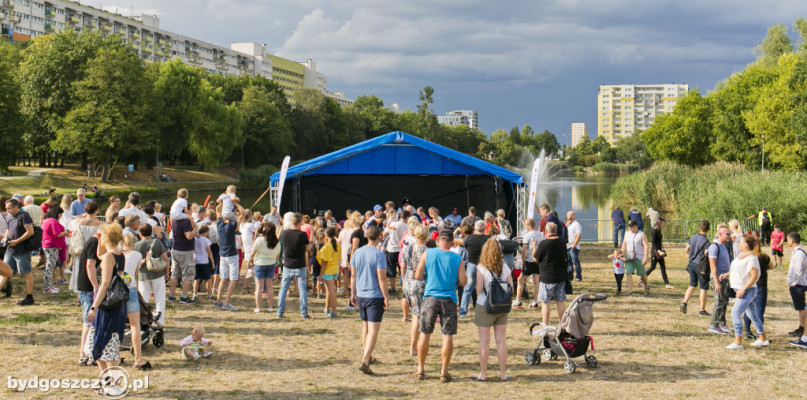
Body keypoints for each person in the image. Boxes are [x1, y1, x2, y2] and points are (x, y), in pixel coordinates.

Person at [414, 229, 466, 383]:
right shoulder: (457, 259)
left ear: (438, 240)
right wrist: (453, 281)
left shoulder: (428, 253)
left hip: (430, 296)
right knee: (447, 335)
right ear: (451, 242)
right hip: (449, 298)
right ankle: (443, 371)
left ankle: (420, 369)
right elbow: (463, 282)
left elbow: (417, 275)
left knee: (425, 333)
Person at [84, 224, 127, 396]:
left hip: (106, 306)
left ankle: (114, 383)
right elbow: (100, 256)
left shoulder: (110, 257)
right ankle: (107, 380)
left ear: (106, 238)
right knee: (100, 344)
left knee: (107, 345)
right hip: (116, 304)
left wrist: (94, 306)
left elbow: (105, 283)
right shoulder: (118, 255)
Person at [472, 238, 513, 382]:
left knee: (484, 341)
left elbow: (478, 289)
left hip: (485, 305)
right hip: (502, 306)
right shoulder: (505, 266)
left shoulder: (481, 268)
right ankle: (502, 373)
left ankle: (483, 373)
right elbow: (511, 287)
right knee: (501, 341)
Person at [349, 226, 389, 375]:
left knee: (365, 326)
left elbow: (352, 275)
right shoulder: (379, 255)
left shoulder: (357, 253)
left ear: (366, 236)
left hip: (361, 294)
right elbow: (381, 278)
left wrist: (352, 293)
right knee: (373, 329)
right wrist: (386, 296)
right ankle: (365, 360)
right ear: (379, 237)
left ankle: (367, 356)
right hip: (374, 295)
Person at [723, 235, 768, 349]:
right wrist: (727, 274)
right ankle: (762, 338)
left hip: (747, 290)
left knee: (735, 313)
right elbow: (738, 270)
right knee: (752, 314)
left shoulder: (752, 259)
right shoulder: (741, 256)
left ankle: (738, 341)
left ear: (746, 245)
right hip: (740, 289)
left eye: (740, 242)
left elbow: (754, 276)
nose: (738, 244)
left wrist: (744, 289)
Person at [121, 234, 151, 369]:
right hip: (131, 289)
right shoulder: (137, 255)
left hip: (117, 290)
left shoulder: (115, 255)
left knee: (117, 325)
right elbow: (135, 273)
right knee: (135, 326)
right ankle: (138, 358)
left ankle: (116, 355)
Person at [402, 224, 429, 356]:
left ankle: (416, 342)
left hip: (408, 282)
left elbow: (403, 266)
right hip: (420, 284)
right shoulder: (428, 251)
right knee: (417, 316)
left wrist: (403, 281)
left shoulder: (408, 248)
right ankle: (413, 346)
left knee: (415, 314)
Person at [277, 213, 311, 319]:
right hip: (300, 264)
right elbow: (308, 249)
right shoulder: (303, 235)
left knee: (283, 289)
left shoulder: (285, 233)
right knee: (302, 290)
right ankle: (303, 313)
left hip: (287, 264)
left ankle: (280, 312)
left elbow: (280, 242)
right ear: (301, 222)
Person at [134, 224, 168, 327]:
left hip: (143, 275)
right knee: (160, 297)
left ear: (140, 234)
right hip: (157, 273)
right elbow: (165, 258)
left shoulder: (137, 245)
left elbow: (136, 262)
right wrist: (167, 272)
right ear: (151, 232)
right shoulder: (157, 242)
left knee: (144, 299)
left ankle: (144, 320)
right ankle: (159, 321)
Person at [3, 198, 35, 306]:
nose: (7, 211)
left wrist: (17, 241)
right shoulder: (10, 217)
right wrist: (5, 237)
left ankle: (29, 297)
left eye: (9, 208)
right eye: (6, 209)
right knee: (4, 272)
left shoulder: (24, 216)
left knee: (26, 273)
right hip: (10, 249)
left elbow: (30, 231)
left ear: (16, 207)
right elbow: (8, 229)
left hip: (22, 250)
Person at [536, 223, 568, 325]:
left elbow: (536, 259)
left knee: (545, 302)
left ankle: (545, 324)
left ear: (546, 231)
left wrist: (533, 247)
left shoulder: (544, 244)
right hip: (560, 275)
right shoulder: (562, 242)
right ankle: (562, 324)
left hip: (547, 277)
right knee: (560, 301)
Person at [169, 202, 198, 305]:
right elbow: (189, 236)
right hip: (185, 250)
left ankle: (171, 295)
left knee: (175, 273)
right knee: (188, 274)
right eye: (190, 209)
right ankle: (184, 296)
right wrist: (195, 228)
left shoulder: (174, 220)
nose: (191, 212)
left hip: (175, 248)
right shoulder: (185, 221)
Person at [248, 222, 280, 313]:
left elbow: (252, 253)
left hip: (260, 263)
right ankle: (270, 307)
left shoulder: (259, 240)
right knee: (270, 286)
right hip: (271, 264)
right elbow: (277, 255)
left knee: (259, 286)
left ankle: (258, 307)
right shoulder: (276, 242)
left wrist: (250, 262)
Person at [744, 240, 773, 340]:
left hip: (749, 285)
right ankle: (759, 333)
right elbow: (772, 265)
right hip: (761, 285)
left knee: (748, 309)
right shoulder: (763, 256)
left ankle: (748, 331)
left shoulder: (746, 256)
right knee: (759, 310)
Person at [681, 220, 711, 315]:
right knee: (703, 287)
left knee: (692, 285)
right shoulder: (707, 242)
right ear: (708, 229)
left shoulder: (693, 237)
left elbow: (686, 250)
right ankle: (702, 310)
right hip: (701, 265)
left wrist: (692, 254)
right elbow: (706, 255)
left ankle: (684, 302)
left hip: (692, 264)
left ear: (699, 227)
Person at [708, 224, 733, 335]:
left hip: (725, 278)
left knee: (724, 301)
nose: (729, 236)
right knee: (719, 301)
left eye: (730, 233)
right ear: (720, 234)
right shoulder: (714, 247)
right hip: (718, 279)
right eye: (727, 234)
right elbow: (712, 266)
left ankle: (721, 323)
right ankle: (713, 325)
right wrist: (717, 282)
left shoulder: (723, 245)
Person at [514, 218, 544, 309]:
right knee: (536, 281)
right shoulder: (542, 236)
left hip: (529, 261)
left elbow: (524, 251)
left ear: (528, 225)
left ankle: (518, 300)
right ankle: (535, 301)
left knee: (520, 279)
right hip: (538, 261)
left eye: (525, 226)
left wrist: (523, 261)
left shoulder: (527, 236)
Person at [460, 220, 488, 318]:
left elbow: (463, 245)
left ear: (475, 228)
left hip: (472, 265)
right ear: (485, 228)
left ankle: (463, 312)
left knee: (467, 290)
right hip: (484, 265)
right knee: (485, 289)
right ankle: (485, 311)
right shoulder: (488, 239)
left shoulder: (469, 239)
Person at [215, 203, 240, 311]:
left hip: (223, 255)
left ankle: (219, 300)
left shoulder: (219, 224)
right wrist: (236, 203)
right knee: (233, 279)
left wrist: (223, 201)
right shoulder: (231, 226)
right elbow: (242, 214)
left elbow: (217, 210)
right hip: (232, 255)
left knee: (223, 278)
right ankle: (227, 303)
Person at [41, 206, 68, 294]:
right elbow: (57, 234)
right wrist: (66, 233)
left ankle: (49, 286)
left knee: (50, 266)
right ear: (58, 214)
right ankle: (47, 288)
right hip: (52, 245)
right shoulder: (53, 221)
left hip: (47, 244)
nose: (61, 216)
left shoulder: (46, 220)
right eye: (60, 214)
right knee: (50, 267)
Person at [786, 232, 807, 346]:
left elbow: (799, 270)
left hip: (799, 284)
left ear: (792, 241)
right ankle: (802, 327)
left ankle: (803, 328)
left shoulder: (799, 253)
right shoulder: (799, 251)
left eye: (788, 239)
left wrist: (793, 282)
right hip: (799, 283)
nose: (787, 241)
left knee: (802, 307)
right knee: (800, 307)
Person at [317, 227, 341, 317]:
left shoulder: (327, 247)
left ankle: (334, 311)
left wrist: (321, 274)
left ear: (326, 235)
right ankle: (326, 308)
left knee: (331, 290)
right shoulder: (337, 245)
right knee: (329, 290)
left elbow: (324, 262)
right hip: (335, 270)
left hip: (328, 271)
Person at [621, 220, 649, 295]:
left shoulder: (641, 234)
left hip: (639, 257)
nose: (630, 228)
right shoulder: (626, 234)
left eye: (632, 227)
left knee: (642, 274)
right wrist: (622, 252)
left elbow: (646, 246)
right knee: (629, 272)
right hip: (629, 257)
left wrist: (645, 257)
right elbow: (624, 244)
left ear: (636, 226)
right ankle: (629, 291)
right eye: (629, 226)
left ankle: (646, 286)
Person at [646, 218, 673, 289]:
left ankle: (667, 284)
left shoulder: (658, 229)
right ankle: (642, 279)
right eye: (663, 223)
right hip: (655, 252)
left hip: (659, 251)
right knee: (652, 267)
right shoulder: (654, 231)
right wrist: (658, 251)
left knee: (663, 267)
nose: (664, 225)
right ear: (660, 223)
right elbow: (653, 243)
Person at [192, 226, 215, 302]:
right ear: (205, 232)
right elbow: (209, 252)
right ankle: (210, 294)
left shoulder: (195, 239)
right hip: (204, 261)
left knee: (196, 278)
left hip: (196, 260)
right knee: (208, 278)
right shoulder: (206, 240)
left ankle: (195, 294)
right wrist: (212, 262)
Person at [566, 211, 582, 282]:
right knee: (569, 263)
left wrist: (574, 245)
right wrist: (566, 225)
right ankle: (570, 277)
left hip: (573, 247)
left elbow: (578, 235)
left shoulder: (577, 225)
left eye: (568, 216)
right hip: (567, 246)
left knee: (575, 262)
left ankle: (578, 276)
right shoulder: (568, 225)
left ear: (573, 216)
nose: (566, 217)